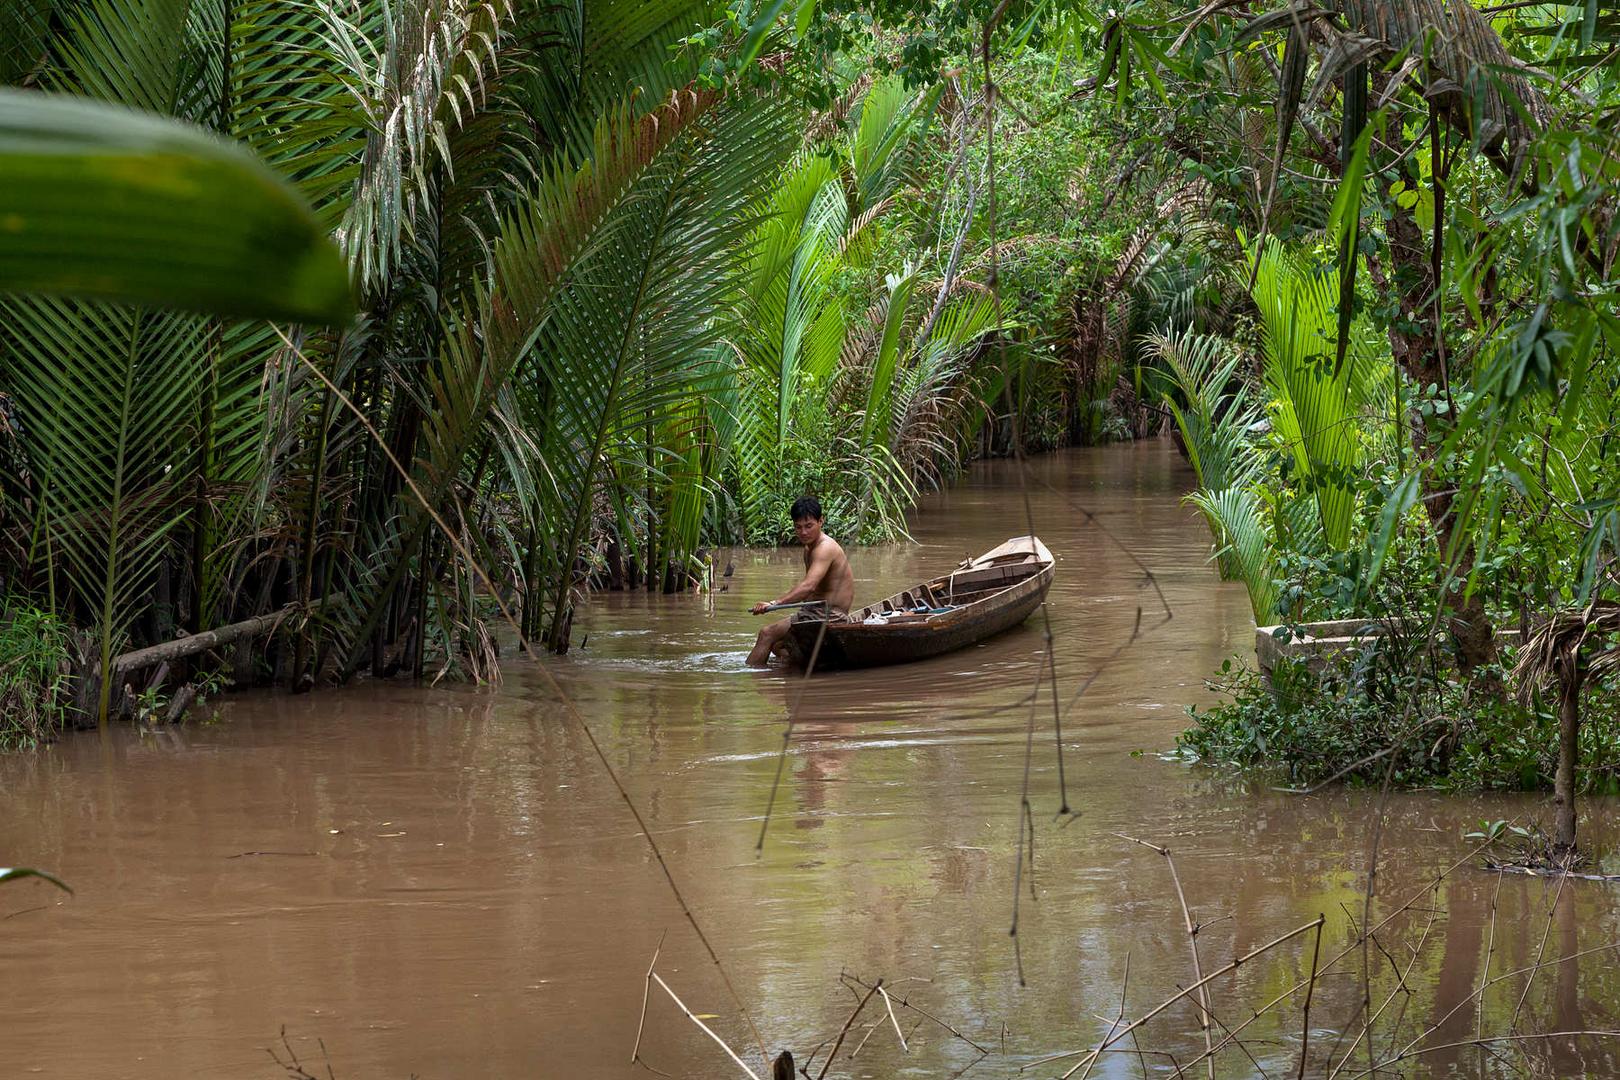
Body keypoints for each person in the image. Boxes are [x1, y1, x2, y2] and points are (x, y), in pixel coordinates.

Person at [746, 496, 855, 667]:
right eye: (798, 527)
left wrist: (774, 603)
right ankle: (793, 667)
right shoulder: (809, 548)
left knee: (766, 634)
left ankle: (750, 678)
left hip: (829, 615)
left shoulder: (825, 548)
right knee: (777, 646)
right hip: (815, 611)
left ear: (821, 521)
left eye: (809, 526)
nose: (803, 532)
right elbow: (812, 590)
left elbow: (808, 586)